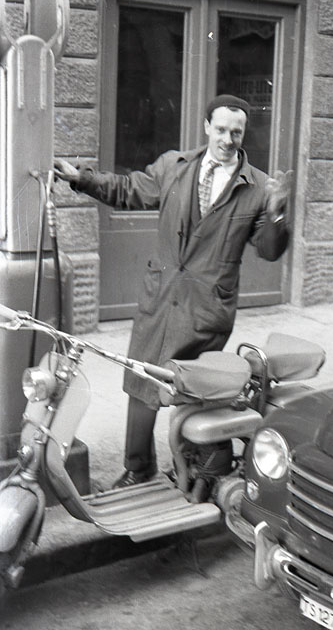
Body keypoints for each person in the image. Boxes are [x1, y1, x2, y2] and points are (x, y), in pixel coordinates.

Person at [54, 94, 291, 488]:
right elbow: (128, 189)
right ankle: (138, 467)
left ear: (243, 133)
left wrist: (278, 213)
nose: (227, 139)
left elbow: (269, 250)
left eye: (236, 132)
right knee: (141, 378)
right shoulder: (173, 166)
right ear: (206, 127)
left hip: (208, 306)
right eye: (221, 130)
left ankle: (201, 467)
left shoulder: (259, 187)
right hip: (161, 295)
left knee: (197, 388)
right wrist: (81, 178)